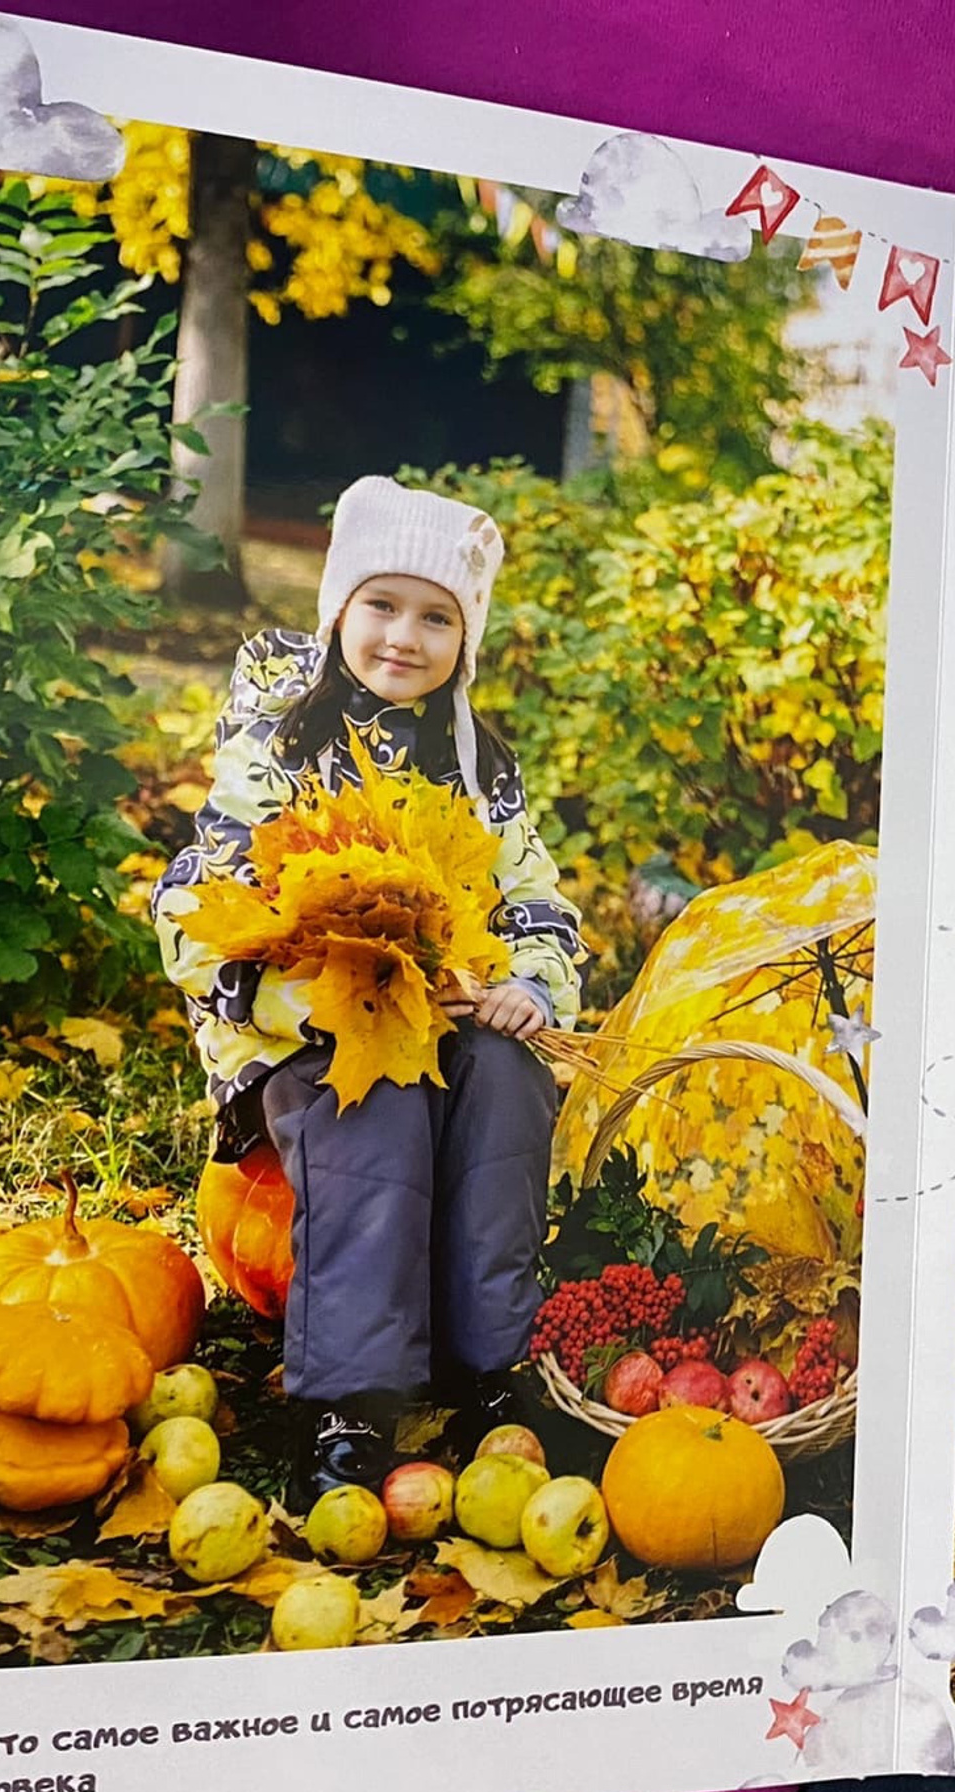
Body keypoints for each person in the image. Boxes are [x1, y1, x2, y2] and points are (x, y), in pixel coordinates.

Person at [153, 476, 583, 1506]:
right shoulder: (280, 739)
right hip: (294, 1037)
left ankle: (490, 1371)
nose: (406, 635)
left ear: (464, 642)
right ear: (340, 607)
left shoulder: (477, 769)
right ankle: (349, 1402)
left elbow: (537, 903)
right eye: (382, 605)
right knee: (372, 1099)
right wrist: (303, 998)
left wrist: (529, 984)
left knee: (506, 1078)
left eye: (438, 618)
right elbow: (202, 906)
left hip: (442, 1018)